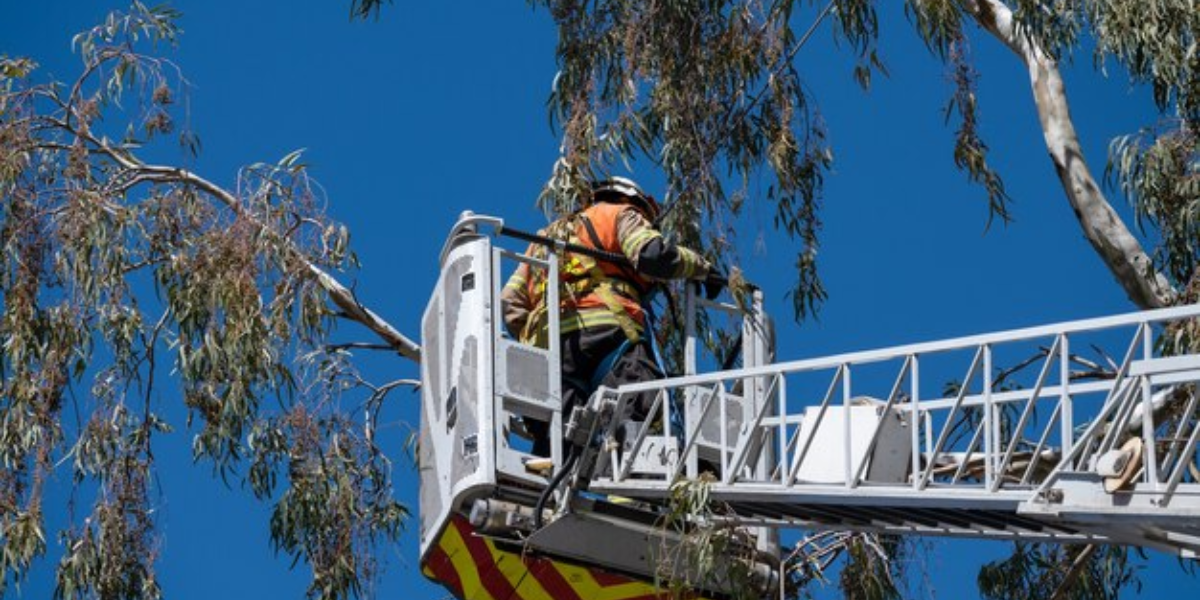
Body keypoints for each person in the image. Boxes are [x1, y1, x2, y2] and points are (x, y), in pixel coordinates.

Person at [501, 177, 721, 457]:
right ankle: (629, 481)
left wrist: (537, 340)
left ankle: (547, 485)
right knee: (636, 393)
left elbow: (509, 301)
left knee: (557, 430)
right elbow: (651, 254)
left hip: (555, 349)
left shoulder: (546, 237)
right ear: (633, 200)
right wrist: (701, 267)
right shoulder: (620, 214)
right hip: (609, 331)